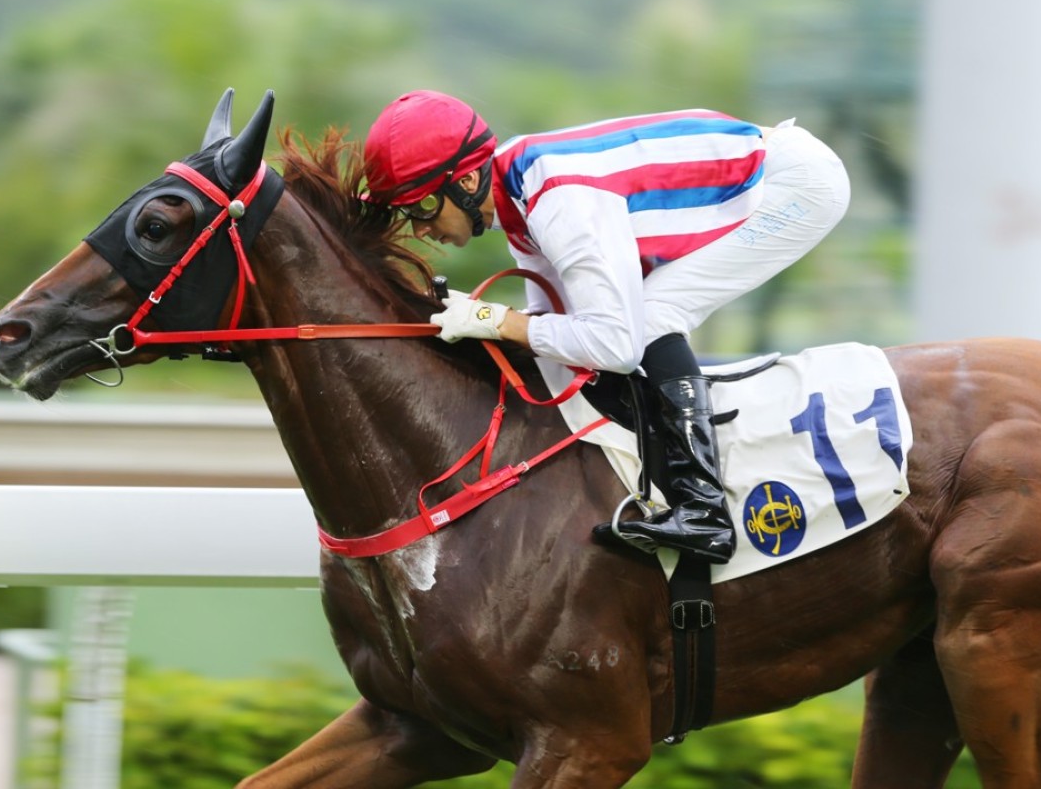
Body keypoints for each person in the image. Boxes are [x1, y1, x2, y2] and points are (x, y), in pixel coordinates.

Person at [363, 90, 850, 565]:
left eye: (421, 206)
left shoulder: (558, 204)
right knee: (628, 320)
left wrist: (495, 319)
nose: (419, 229)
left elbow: (616, 346)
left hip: (796, 185)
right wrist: (487, 328)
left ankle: (704, 508)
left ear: (467, 182)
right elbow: (558, 325)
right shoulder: (518, 197)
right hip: (761, 169)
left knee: (652, 317)